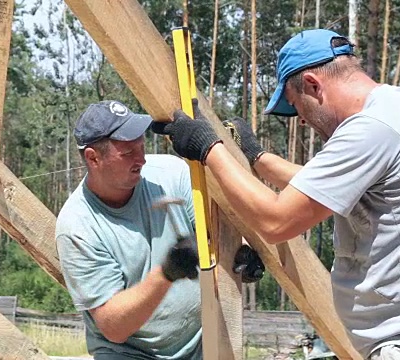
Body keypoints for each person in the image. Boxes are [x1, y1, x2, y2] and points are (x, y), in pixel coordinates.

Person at [152, 29, 400, 359]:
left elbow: (276, 221)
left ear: (314, 85)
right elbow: (318, 186)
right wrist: (258, 157)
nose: (301, 120)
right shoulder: (397, 112)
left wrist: (208, 148)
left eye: (296, 106)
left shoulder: (371, 129)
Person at [56, 100, 265, 360]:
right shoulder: (78, 226)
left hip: (200, 341)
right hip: (129, 353)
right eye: (128, 152)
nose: (141, 158)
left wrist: (241, 252)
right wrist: (167, 274)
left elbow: (219, 231)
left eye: (141, 146)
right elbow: (114, 327)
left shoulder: (171, 174)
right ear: (93, 157)